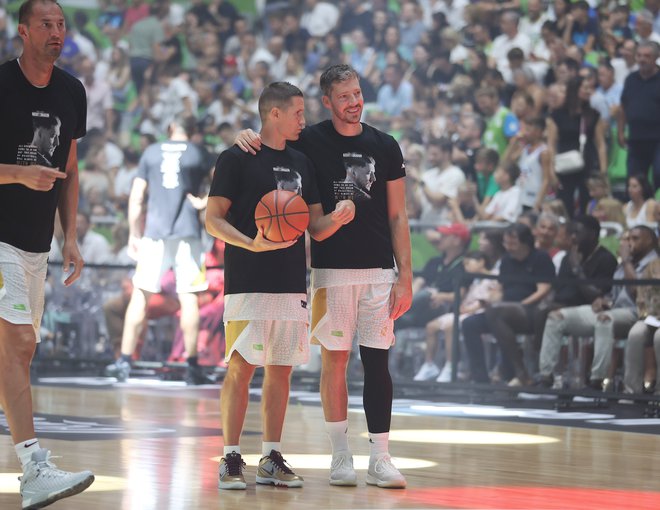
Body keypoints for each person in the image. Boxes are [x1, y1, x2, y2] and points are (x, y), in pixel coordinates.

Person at [235, 64, 412, 488]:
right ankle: (339, 454)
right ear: (327, 101)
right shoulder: (309, 140)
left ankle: (381, 457)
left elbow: (398, 214)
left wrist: (404, 275)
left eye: (358, 93)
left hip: (378, 273)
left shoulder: (385, 145)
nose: (354, 102)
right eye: (344, 96)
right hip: (331, 272)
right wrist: (246, 136)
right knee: (335, 362)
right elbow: (271, 138)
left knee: (378, 363)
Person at [205, 81, 355, 490]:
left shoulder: (303, 162)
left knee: (281, 370)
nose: (303, 121)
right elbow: (212, 218)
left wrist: (338, 217)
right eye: (297, 113)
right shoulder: (237, 157)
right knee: (241, 367)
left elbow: (317, 228)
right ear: (274, 113)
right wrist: (249, 242)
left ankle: (271, 456)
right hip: (248, 281)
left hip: (292, 282)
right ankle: (231, 456)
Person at [0, 1, 94, 508]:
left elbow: (70, 168)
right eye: (46, 25)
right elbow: (30, 170)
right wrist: (16, 173)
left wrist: (70, 236)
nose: (56, 33)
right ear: (22, 30)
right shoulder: (2, 84)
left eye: (61, 25)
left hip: (37, 242)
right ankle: (34, 468)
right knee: (15, 345)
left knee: (19, 351)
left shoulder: (72, 91)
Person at [104, 117, 213, 385]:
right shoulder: (199, 152)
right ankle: (192, 365)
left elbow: (137, 196)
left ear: (168, 130)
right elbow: (224, 181)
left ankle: (124, 361)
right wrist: (204, 202)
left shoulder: (151, 152)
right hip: (187, 232)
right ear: (193, 132)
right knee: (189, 297)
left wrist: (133, 232)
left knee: (141, 295)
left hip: (154, 233)